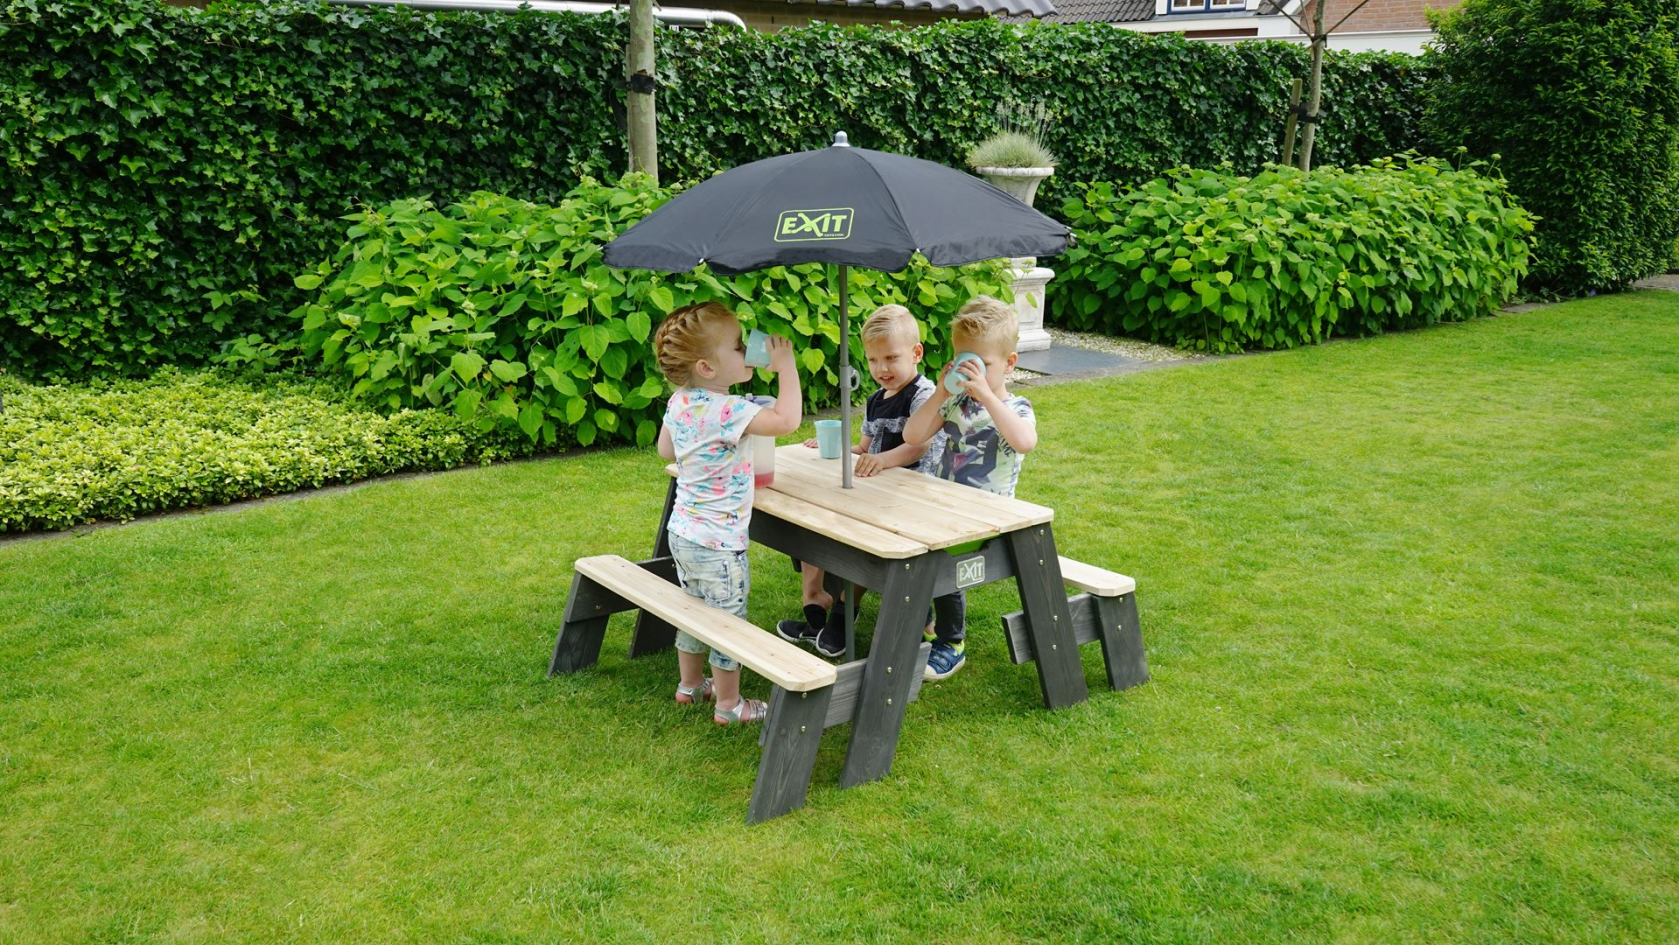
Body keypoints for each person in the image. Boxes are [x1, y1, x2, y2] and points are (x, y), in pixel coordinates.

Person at [653, 302, 802, 724]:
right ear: (707, 367)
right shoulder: (728, 410)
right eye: (739, 346)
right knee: (727, 623)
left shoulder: (681, 401)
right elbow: (787, 420)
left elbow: (666, 450)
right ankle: (729, 705)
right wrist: (786, 366)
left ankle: (689, 685)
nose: (747, 349)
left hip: (683, 532)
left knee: (694, 609)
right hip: (720, 543)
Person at [775, 305, 946, 658]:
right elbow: (865, 447)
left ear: (916, 353)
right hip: (878, 488)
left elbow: (919, 446)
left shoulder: (924, 394)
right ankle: (816, 603)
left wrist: (881, 461)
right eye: (872, 360)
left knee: (855, 536)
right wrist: (838, 448)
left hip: (915, 494)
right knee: (814, 516)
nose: (881, 369)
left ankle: (843, 609)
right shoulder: (874, 399)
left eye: (891, 358)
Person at [903, 296, 1037, 681]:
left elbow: (1024, 441)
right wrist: (943, 392)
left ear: (1009, 364)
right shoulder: (953, 402)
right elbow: (913, 435)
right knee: (904, 536)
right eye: (964, 361)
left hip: (988, 517)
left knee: (943, 560)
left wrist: (989, 396)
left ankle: (951, 641)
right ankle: (921, 619)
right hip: (947, 507)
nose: (971, 373)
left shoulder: (1017, 407)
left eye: (982, 365)